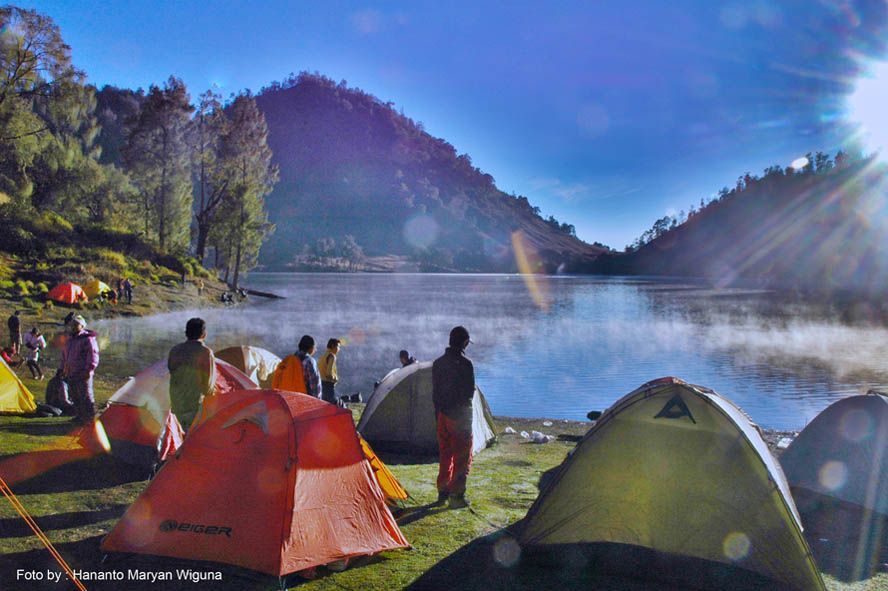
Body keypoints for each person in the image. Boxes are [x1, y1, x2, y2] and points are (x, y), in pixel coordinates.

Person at [432, 326, 475, 509]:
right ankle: (457, 495)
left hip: (442, 415)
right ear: (464, 342)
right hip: (460, 417)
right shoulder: (466, 364)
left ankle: (443, 491)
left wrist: (438, 414)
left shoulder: (438, 363)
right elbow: (469, 393)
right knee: (462, 456)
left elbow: (435, 392)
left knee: (445, 454)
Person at [167, 318, 216, 428]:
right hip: (194, 405)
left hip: (176, 403)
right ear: (204, 334)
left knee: (179, 436)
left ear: (186, 333)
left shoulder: (175, 350)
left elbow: (171, 370)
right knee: (192, 438)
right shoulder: (205, 352)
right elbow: (208, 385)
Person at [60, 315, 99, 424]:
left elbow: (93, 355)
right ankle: (80, 416)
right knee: (74, 394)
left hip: (83, 372)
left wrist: (89, 370)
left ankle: (90, 418)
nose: (73, 326)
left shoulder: (88, 339)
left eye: (76, 324)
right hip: (71, 372)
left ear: (82, 326)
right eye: (72, 324)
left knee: (86, 395)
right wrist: (62, 368)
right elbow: (65, 355)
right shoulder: (70, 339)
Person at [318, 338, 341, 404]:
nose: (339, 349)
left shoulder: (323, 356)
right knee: (334, 406)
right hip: (328, 385)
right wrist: (335, 378)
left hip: (321, 384)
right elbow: (328, 374)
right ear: (333, 346)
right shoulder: (332, 356)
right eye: (338, 347)